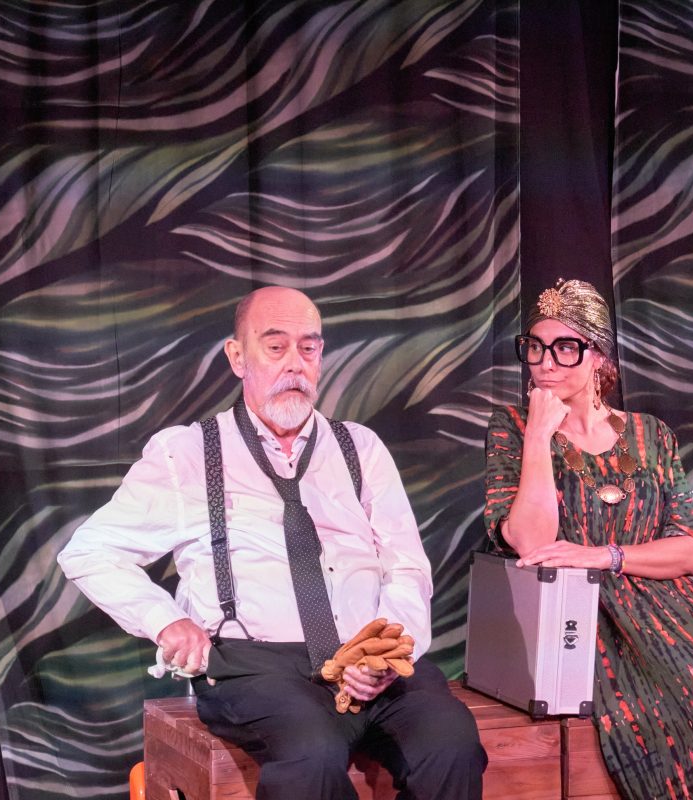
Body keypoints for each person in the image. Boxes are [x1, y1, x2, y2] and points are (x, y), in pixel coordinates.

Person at [59, 286, 486, 800]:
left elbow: (406, 567)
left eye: (309, 348)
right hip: (256, 669)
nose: (295, 364)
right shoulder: (188, 454)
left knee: (450, 740)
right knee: (311, 752)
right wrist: (165, 620)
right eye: (276, 346)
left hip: (366, 661)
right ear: (238, 357)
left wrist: (386, 655)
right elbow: (89, 550)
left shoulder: (360, 448)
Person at [483, 279, 693, 800]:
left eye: (565, 348)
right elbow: (530, 541)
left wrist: (604, 555)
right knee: (687, 710)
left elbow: (689, 550)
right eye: (534, 347)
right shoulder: (512, 427)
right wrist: (537, 435)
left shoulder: (651, 434)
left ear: (598, 355)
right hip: (583, 615)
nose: (545, 363)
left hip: (671, 602)